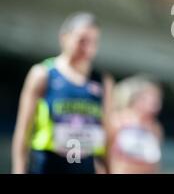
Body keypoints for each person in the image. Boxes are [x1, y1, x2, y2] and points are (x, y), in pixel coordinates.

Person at [11, 12, 113, 174]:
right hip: (47, 164)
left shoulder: (102, 81)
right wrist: (18, 169)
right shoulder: (43, 74)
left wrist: (109, 169)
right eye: (82, 40)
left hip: (84, 165)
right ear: (64, 37)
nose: (87, 48)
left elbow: (108, 131)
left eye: (93, 42)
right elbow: (23, 130)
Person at [107, 75, 164, 174]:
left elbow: (155, 162)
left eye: (157, 98)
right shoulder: (117, 121)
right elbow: (105, 152)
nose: (156, 103)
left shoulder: (155, 129)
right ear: (137, 98)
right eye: (151, 97)